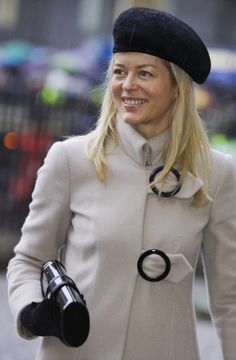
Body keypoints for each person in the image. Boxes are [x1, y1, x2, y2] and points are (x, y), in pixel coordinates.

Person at [7, 6, 236, 360]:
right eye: (119, 72)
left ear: (177, 87)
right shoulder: (70, 160)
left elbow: (229, 298)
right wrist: (33, 310)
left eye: (145, 73)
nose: (127, 85)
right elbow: (28, 260)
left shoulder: (218, 173)